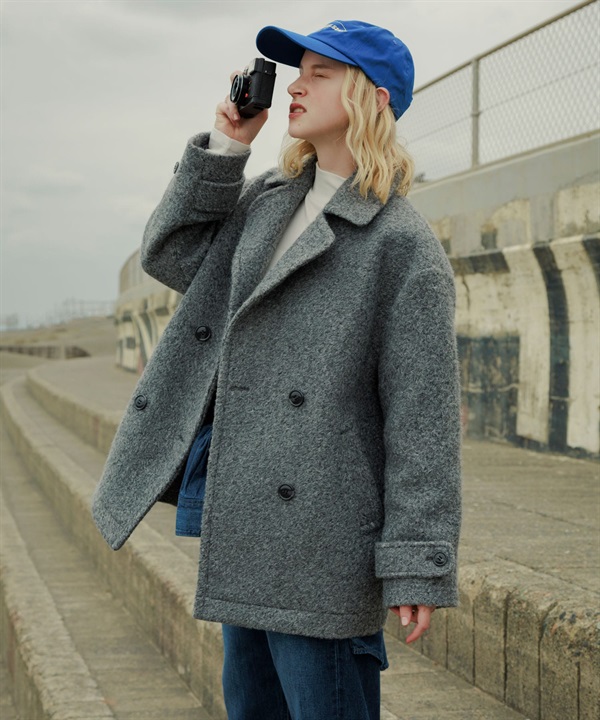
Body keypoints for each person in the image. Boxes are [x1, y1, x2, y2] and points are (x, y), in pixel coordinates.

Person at [92, 19, 462, 720]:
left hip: (324, 538)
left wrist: (418, 559)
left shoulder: (401, 245)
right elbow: (172, 256)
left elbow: (423, 420)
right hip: (243, 522)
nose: (295, 85)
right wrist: (228, 145)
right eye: (298, 71)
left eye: (320, 73)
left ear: (373, 97)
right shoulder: (268, 198)